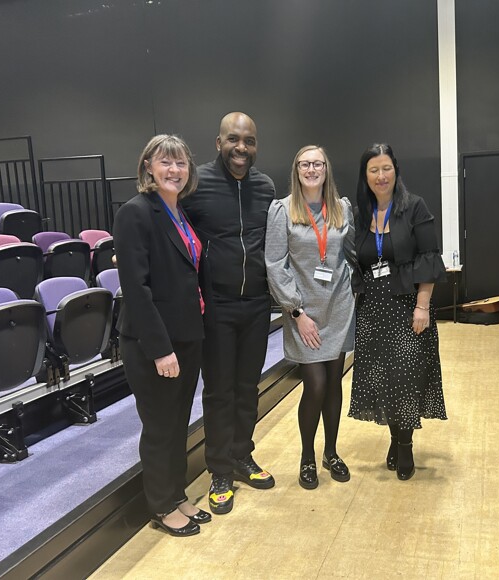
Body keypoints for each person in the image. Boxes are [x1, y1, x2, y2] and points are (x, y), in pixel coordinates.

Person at [180, 112, 276, 515]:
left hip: (256, 304)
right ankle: (219, 469)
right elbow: (173, 231)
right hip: (215, 306)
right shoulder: (196, 184)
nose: (242, 148)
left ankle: (241, 455)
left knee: (247, 388)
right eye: (234, 139)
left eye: (249, 141)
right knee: (220, 391)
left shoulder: (266, 187)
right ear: (219, 143)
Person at [114, 134, 210, 536]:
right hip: (153, 344)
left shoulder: (178, 211)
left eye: (181, 163)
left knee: (178, 422)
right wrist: (160, 350)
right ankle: (160, 505)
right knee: (158, 426)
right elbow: (136, 289)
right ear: (148, 167)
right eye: (165, 162)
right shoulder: (136, 213)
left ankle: (176, 494)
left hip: (186, 336)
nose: (174, 170)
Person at [348, 143, 448, 481]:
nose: (381, 176)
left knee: (406, 378)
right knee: (385, 379)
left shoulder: (414, 207)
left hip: (407, 307)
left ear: (396, 170)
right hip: (372, 310)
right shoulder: (361, 214)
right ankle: (396, 437)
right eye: (374, 170)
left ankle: (405, 446)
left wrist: (423, 306)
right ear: (365, 175)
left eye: (386, 168)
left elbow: (429, 257)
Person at [265, 145, 356, 490]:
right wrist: (296, 311)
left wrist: (352, 287)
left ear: (326, 169)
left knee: (333, 384)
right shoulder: (283, 210)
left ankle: (331, 452)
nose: (311, 169)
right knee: (315, 385)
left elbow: (350, 254)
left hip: (338, 307)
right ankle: (307, 457)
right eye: (305, 164)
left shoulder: (342, 208)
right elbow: (275, 264)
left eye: (317, 163)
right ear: (296, 170)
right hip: (302, 311)